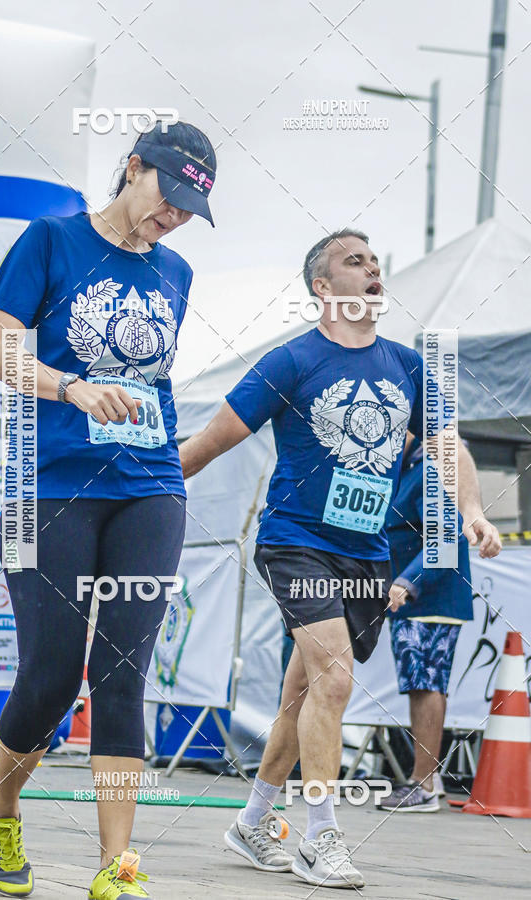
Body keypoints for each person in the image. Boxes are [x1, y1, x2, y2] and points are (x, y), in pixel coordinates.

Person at [179, 229, 501, 889]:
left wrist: (472, 510)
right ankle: (320, 837)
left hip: (366, 556)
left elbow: (449, 446)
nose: (372, 269)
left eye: (376, 262)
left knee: (303, 693)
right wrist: (135, 493)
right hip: (296, 542)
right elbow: (211, 441)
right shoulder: (290, 362)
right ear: (322, 287)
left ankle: (251, 822)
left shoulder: (408, 366)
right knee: (333, 680)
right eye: (355, 262)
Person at [0, 120, 217, 899]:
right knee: (51, 675)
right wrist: (70, 388)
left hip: (149, 485)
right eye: (167, 195)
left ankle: (116, 866)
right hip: (45, 485)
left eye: (189, 209)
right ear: (133, 167)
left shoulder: (176, 272)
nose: (173, 216)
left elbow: (154, 380)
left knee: (122, 672)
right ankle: (3, 805)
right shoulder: (51, 239)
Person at [379, 433, 474, 812]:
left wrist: (407, 581)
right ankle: (425, 781)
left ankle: (424, 785)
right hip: (415, 597)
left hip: (429, 596)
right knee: (421, 684)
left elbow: (446, 536)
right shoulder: (408, 469)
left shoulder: (430, 469)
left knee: (426, 684)